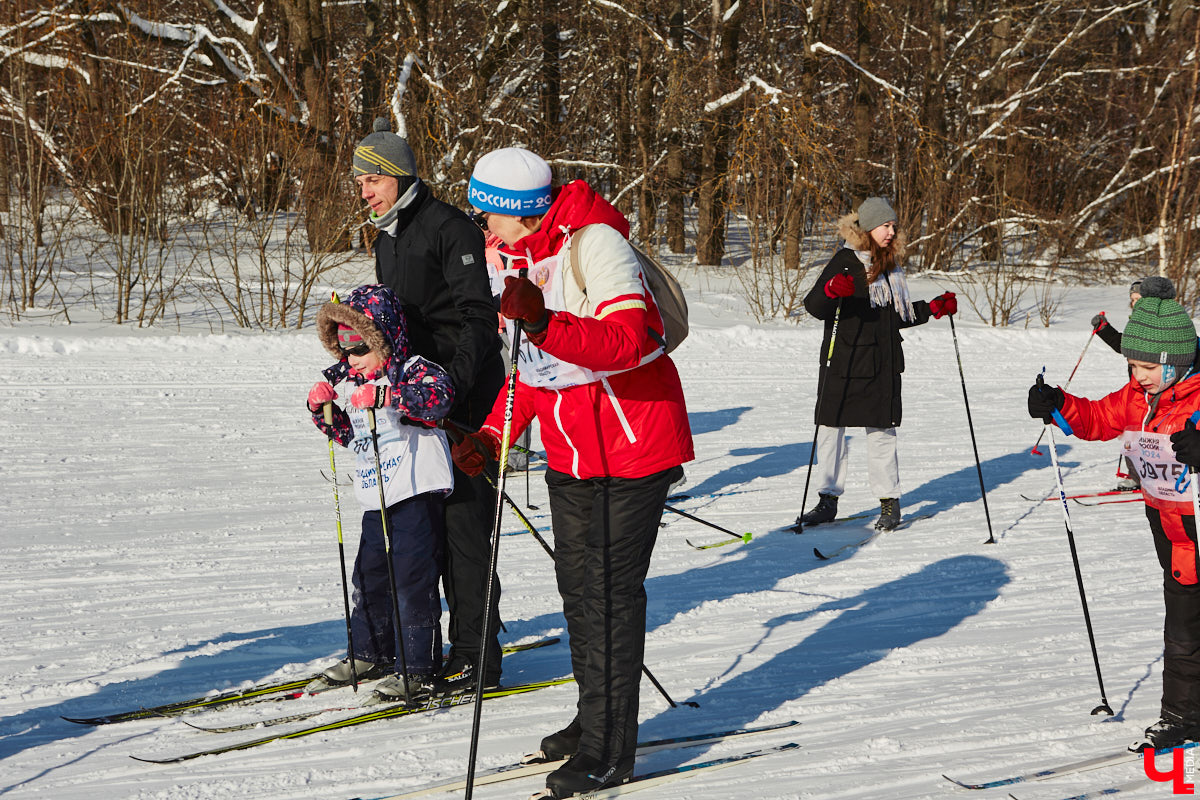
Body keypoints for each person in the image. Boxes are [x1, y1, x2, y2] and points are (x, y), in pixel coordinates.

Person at [451, 147, 694, 799]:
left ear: (518, 209)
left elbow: (634, 340)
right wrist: (491, 436)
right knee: (579, 589)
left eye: (487, 209)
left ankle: (611, 751)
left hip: (633, 443)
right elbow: (530, 374)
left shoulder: (596, 244)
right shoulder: (515, 258)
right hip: (571, 453)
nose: (481, 222)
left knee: (612, 593)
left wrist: (543, 320)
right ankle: (594, 718)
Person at [353, 117, 507, 692]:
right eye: (361, 182)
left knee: (467, 531)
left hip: (465, 400)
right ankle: (418, 648)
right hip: (415, 400)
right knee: (421, 532)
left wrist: (451, 390)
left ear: (398, 175)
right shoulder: (387, 236)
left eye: (372, 179)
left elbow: (477, 320)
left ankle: (476, 655)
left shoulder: (449, 228)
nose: (365, 191)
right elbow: (394, 325)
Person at [1028, 293, 1200, 749]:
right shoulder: (1141, 395)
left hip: (1195, 522)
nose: (1136, 376)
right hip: (1172, 527)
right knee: (1183, 622)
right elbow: (1101, 417)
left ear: (1174, 361)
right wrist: (1058, 403)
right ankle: (1182, 716)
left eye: (1145, 367)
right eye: (1133, 366)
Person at [306, 284, 455, 702]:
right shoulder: (351, 384)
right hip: (375, 498)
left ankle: (419, 667)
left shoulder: (412, 371)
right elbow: (349, 437)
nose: (350, 357)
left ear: (382, 338)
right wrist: (323, 412)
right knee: (368, 578)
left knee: (411, 581)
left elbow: (439, 400)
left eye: (359, 346)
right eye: (343, 348)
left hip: (413, 492)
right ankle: (371, 651)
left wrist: (389, 394)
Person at [796, 197, 957, 532]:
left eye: (893, 225)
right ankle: (827, 501)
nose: (891, 231)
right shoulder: (845, 260)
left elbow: (895, 316)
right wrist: (830, 289)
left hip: (881, 362)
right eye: (886, 225)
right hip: (844, 361)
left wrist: (933, 308)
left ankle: (889, 504)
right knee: (830, 432)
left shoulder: (889, 265)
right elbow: (814, 305)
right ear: (868, 228)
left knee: (882, 433)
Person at [1091, 277, 1177, 491]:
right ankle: (1137, 475)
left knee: (1157, 433)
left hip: (1162, 388)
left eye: (1138, 298)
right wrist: (1104, 329)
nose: (1134, 302)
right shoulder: (1135, 323)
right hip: (1137, 387)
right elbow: (1124, 347)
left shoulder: (1163, 321)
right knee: (1131, 432)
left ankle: (1169, 473)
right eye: (1132, 299)